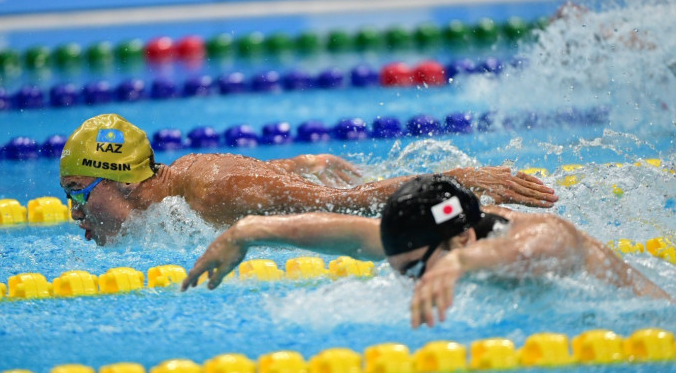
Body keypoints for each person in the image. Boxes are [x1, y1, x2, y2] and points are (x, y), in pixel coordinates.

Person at [181, 175, 672, 327]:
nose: (412, 280)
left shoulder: (534, 237)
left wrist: (460, 264)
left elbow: (552, 244)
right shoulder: (432, 239)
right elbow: (348, 233)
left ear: (461, 239)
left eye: (416, 270)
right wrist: (247, 230)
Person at [60, 114, 558, 245]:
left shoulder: (213, 191)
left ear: (121, 181)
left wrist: (458, 180)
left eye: (77, 194)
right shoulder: (182, 182)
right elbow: (258, 180)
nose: (75, 212)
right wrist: (297, 165)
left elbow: (353, 203)